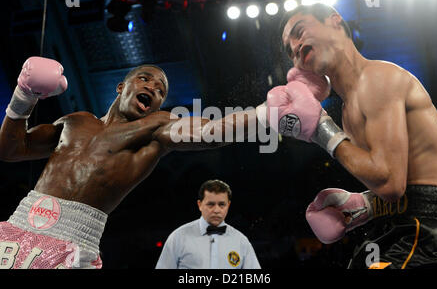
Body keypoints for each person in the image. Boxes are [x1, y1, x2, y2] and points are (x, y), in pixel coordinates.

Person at [0, 57, 267, 269]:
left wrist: (267, 114)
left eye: (160, 90)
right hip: (19, 225)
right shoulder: (76, 121)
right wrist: (24, 95)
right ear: (121, 87)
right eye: (145, 79)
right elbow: (11, 149)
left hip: (74, 241)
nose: (153, 87)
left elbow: (212, 133)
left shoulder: (156, 129)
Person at [264, 2, 437, 269]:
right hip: (400, 226)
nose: (294, 47)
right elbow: (401, 183)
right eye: (288, 50)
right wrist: (364, 205)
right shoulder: (349, 113)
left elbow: (390, 183)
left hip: (430, 228)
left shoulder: (377, 77)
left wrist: (320, 130)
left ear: (334, 20)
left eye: (299, 31)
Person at [155, 179, 260, 269]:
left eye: (222, 204)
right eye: (211, 204)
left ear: (228, 205)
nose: (216, 210)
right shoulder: (178, 237)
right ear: (200, 205)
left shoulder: (241, 241)